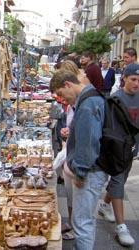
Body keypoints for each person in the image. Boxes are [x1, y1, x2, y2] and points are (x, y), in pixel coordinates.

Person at [50, 69, 108, 250]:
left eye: (61, 94)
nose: (62, 100)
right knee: (84, 221)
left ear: (68, 85)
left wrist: (80, 173)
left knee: (82, 224)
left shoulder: (87, 103)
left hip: (90, 172)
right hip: (92, 170)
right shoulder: (89, 98)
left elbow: (88, 143)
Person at [98, 63, 139, 247]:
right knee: (117, 180)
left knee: (121, 180)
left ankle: (105, 205)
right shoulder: (115, 99)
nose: (137, 83)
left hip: (132, 149)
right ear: (124, 79)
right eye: (133, 79)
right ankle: (121, 226)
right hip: (117, 150)